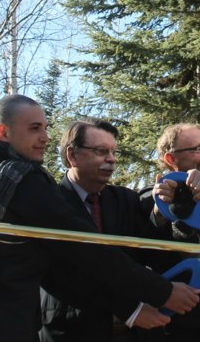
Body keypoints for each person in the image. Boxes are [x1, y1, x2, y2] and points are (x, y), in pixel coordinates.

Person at [0, 95, 199, 342]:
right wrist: (161, 291)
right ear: (3, 132)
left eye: (46, 128)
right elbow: (87, 248)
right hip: (4, 329)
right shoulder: (22, 181)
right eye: (35, 128)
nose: (46, 137)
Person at [40, 118, 163, 341]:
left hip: (131, 330)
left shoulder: (126, 200)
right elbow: (66, 271)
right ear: (72, 155)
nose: (111, 159)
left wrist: (165, 208)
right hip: (71, 329)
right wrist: (129, 309)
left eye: (114, 152)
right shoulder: (49, 202)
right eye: (101, 151)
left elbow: (153, 249)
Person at [138, 123, 200, 341]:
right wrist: (173, 205)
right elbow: (153, 229)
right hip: (168, 326)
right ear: (171, 159)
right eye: (197, 149)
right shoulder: (151, 198)